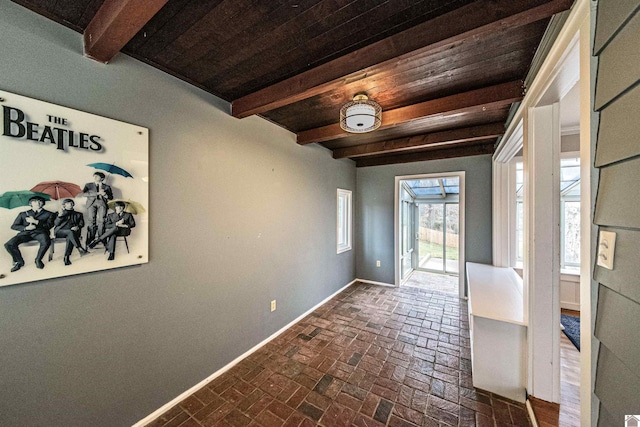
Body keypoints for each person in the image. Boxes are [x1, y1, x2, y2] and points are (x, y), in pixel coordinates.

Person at [4, 195, 57, 271]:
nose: (37, 203)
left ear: (43, 203)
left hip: (40, 233)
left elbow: (49, 226)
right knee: (9, 244)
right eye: (34, 201)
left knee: (46, 241)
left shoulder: (49, 214)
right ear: (30, 204)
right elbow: (14, 226)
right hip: (25, 234)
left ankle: (38, 260)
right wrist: (26, 228)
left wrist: (36, 222)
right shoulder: (23, 214)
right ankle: (19, 262)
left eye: (40, 201)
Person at [54, 199, 89, 266]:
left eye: (71, 203)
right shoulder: (59, 213)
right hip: (60, 232)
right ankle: (80, 249)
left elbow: (82, 224)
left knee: (70, 236)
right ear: (64, 205)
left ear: (73, 204)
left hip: (73, 232)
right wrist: (60, 216)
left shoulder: (79, 214)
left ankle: (66, 257)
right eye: (67, 203)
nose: (70, 204)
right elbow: (56, 224)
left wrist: (77, 227)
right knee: (70, 232)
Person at [81, 172, 113, 245]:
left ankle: (101, 238)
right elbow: (84, 194)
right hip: (91, 204)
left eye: (97, 176)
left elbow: (111, 198)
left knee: (102, 220)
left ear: (102, 178)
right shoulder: (88, 185)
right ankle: (91, 238)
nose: (95, 177)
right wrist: (97, 193)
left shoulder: (106, 187)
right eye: (94, 176)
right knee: (91, 220)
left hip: (102, 203)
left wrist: (105, 194)